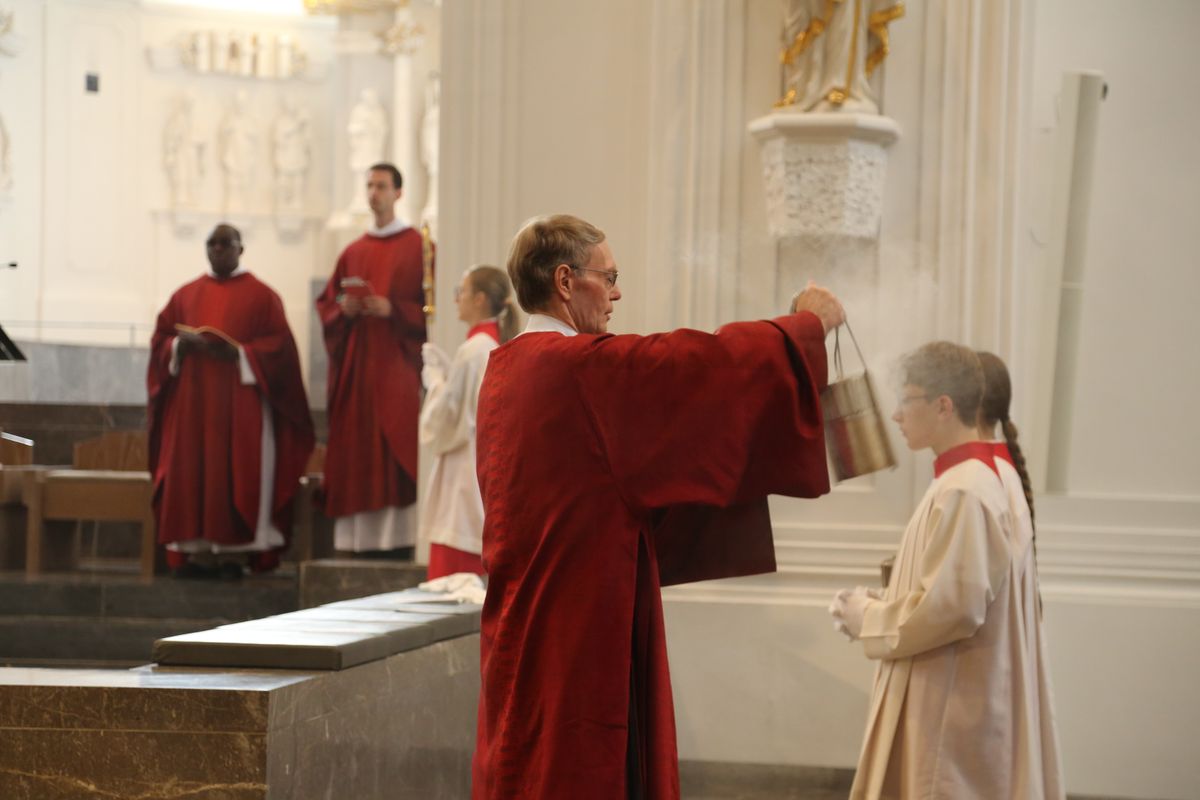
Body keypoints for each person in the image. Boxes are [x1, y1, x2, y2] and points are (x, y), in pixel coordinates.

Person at [471, 214, 844, 799]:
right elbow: (700, 367)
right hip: (577, 627)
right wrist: (802, 329)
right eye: (610, 276)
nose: (618, 292)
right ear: (565, 282)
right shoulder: (576, 366)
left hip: (527, 615)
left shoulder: (509, 366)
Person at [829, 342, 1065, 800]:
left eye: (906, 400)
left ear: (942, 406)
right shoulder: (976, 477)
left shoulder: (966, 489)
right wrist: (892, 599)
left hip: (951, 708)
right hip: (964, 693)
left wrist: (866, 618)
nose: (896, 415)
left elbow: (952, 610)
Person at [148, 224, 314, 578]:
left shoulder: (262, 297)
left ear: (241, 249)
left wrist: (240, 355)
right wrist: (180, 345)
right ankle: (196, 554)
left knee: (235, 473)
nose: (219, 250)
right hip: (193, 409)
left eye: (227, 244)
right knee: (193, 475)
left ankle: (233, 556)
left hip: (240, 410)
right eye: (213, 244)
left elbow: (281, 350)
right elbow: (161, 340)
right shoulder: (185, 295)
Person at [316, 163, 430, 557]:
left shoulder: (419, 246)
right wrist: (343, 309)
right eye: (369, 186)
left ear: (399, 193)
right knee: (356, 450)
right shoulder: (353, 251)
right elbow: (327, 306)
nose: (373, 193)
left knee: (395, 445)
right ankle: (360, 543)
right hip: (358, 368)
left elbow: (434, 312)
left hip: (397, 366)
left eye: (381, 186)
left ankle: (398, 542)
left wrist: (393, 309)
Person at [418, 265, 517, 580]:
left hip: (461, 483)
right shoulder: (491, 347)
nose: (456, 299)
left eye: (461, 291)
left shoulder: (473, 351)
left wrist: (434, 382)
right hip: (479, 475)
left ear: (479, 299)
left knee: (454, 585)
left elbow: (447, 423)